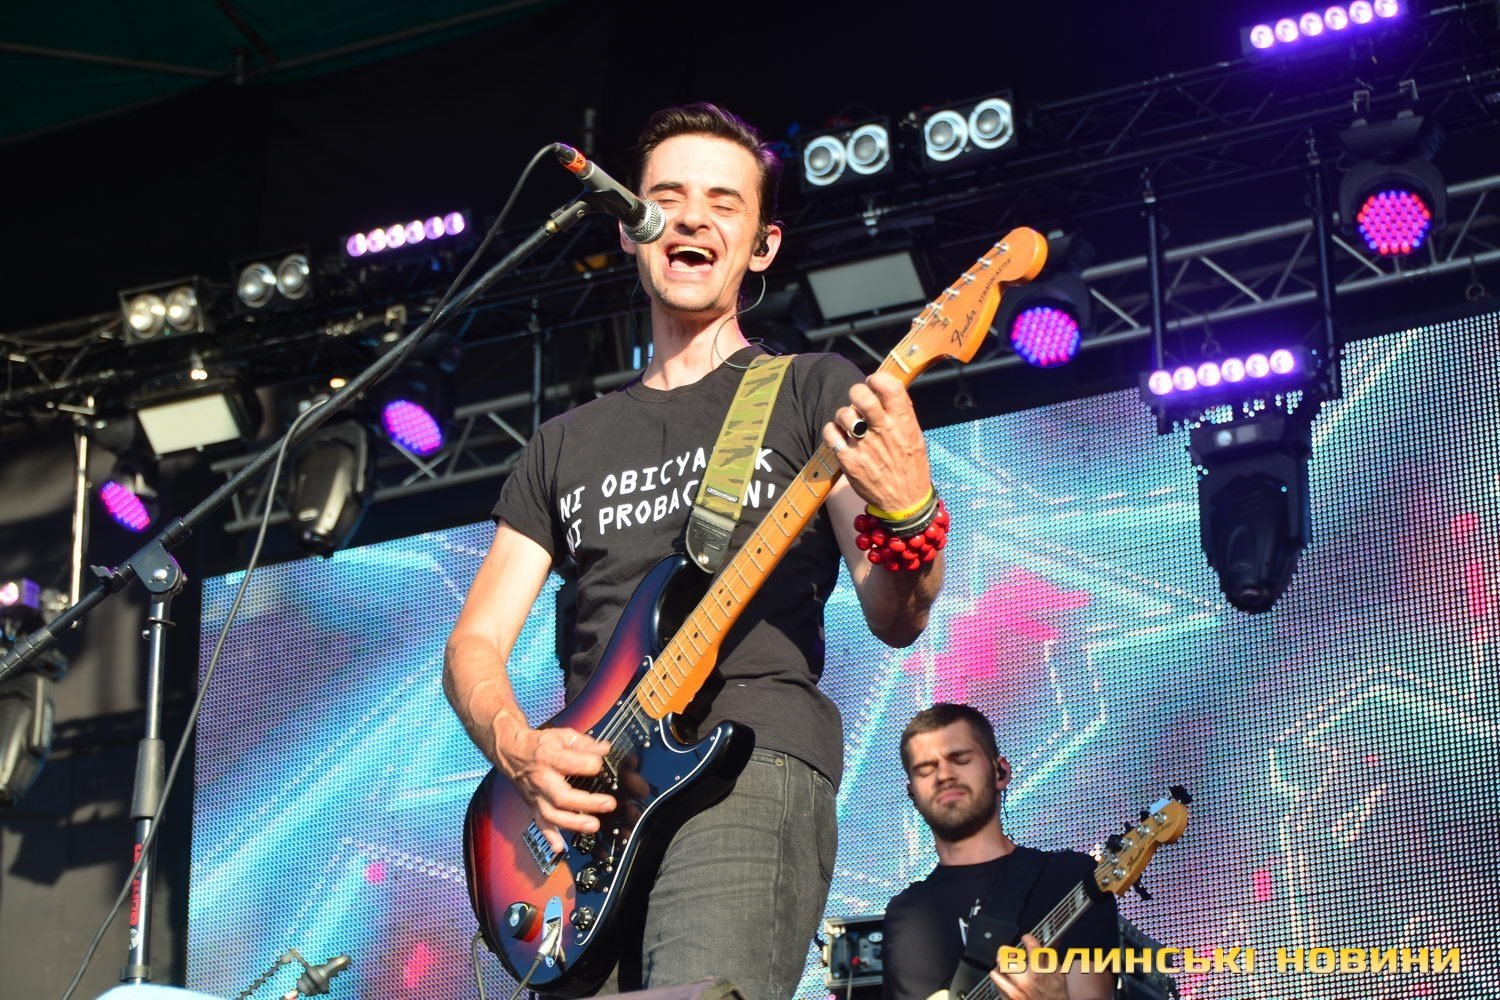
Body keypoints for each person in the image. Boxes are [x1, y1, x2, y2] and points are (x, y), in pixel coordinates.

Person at [444, 103, 946, 1000]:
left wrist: (910, 515)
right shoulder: (564, 443)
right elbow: (474, 643)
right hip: (585, 814)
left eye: (723, 202)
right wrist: (520, 750)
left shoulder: (810, 391)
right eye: (667, 198)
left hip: (746, 763)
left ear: (762, 245)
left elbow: (894, 614)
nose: (691, 218)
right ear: (631, 229)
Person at [882, 704, 1117, 1000]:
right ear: (912, 794)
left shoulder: (1070, 879)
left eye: (960, 759)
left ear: (1001, 772)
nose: (943, 775)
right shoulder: (904, 915)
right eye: (926, 769)